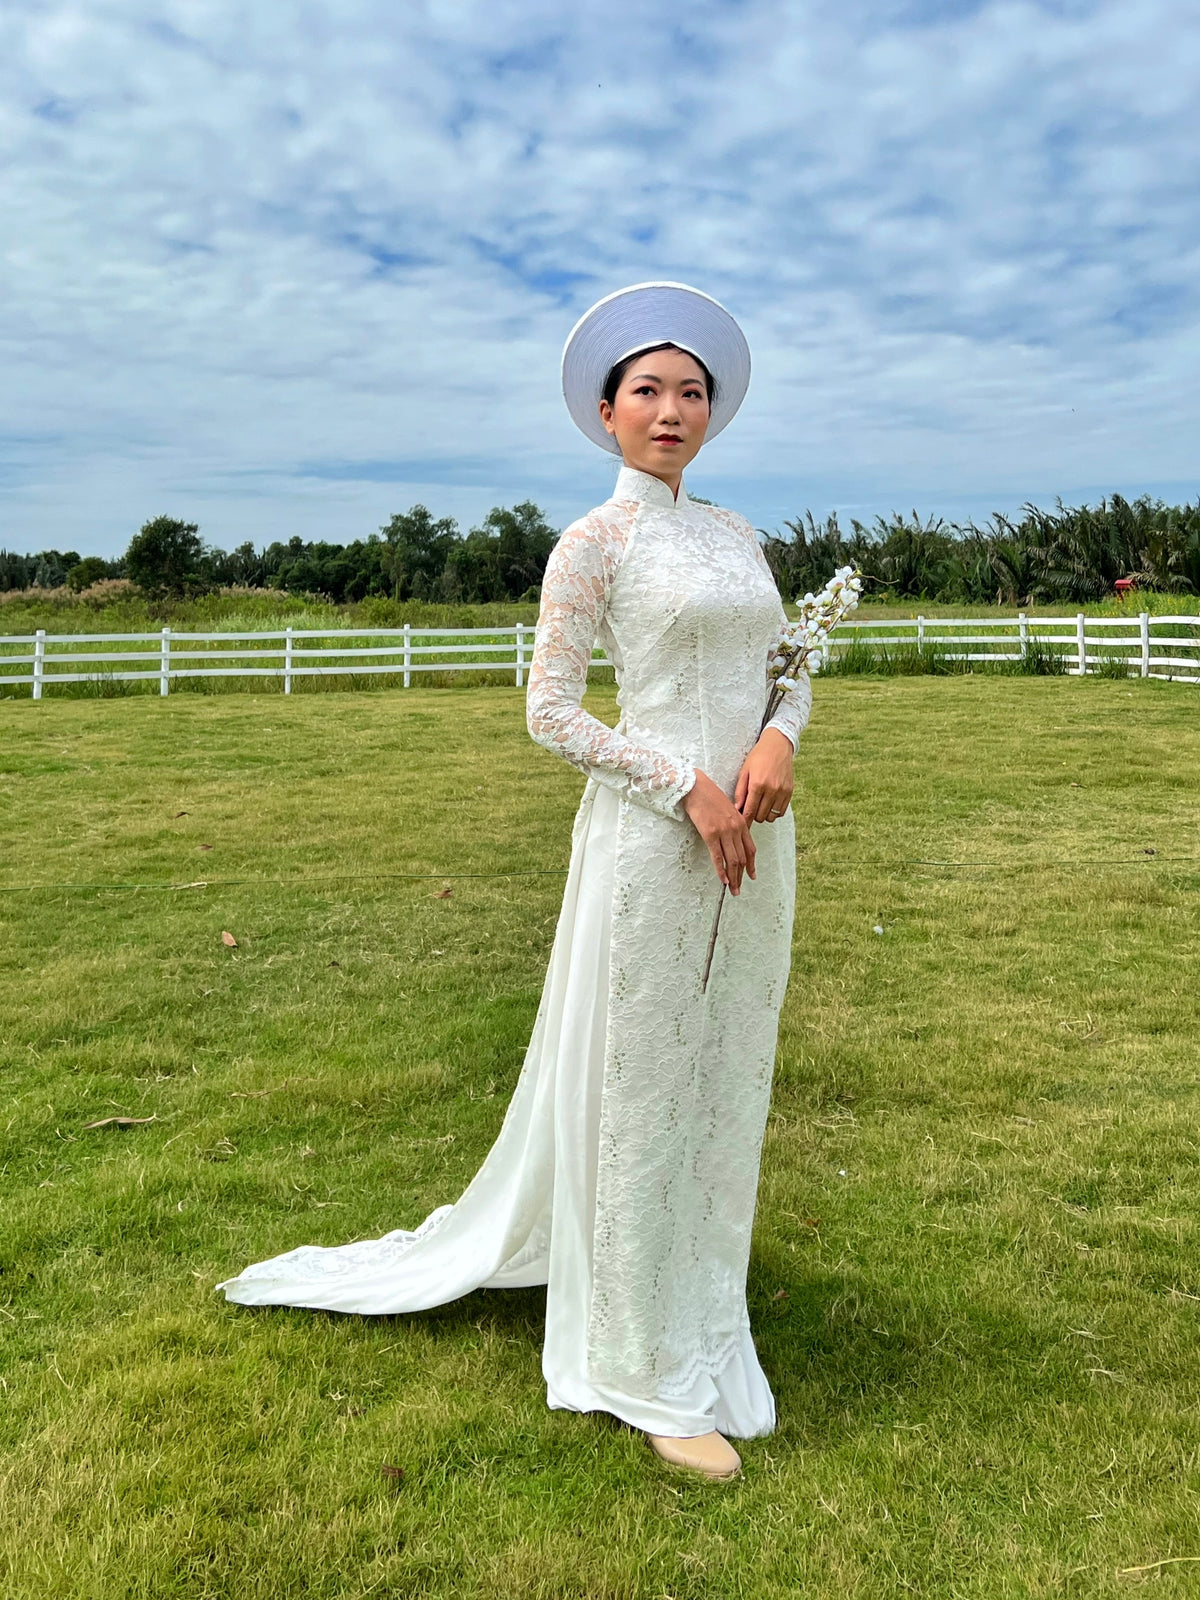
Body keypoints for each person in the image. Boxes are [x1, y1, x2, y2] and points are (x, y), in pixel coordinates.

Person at [215, 281, 811, 1484]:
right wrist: (684, 782)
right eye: (647, 390)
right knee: (645, 1080)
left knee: (727, 1064)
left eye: (692, 392)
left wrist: (779, 737)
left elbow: (790, 660)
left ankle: (703, 1283)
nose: (672, 410)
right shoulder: (595, 543)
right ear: (605, 413)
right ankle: (640, 1361)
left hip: (761, 833)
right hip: (654, 835)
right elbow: (546, 710)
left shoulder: (739, 535)